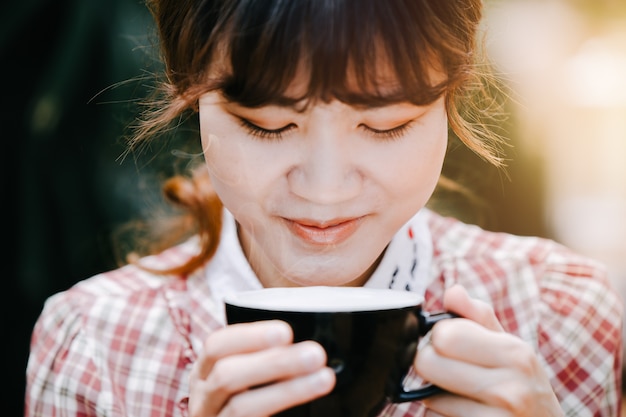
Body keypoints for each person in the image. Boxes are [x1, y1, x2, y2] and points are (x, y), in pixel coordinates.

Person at [25, 0, 623, 416]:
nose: (325, 191)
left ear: (451, 100)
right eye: (268, 126)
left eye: (386, 125)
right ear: (191, 97)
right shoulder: (95, 345)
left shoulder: (557, 316)